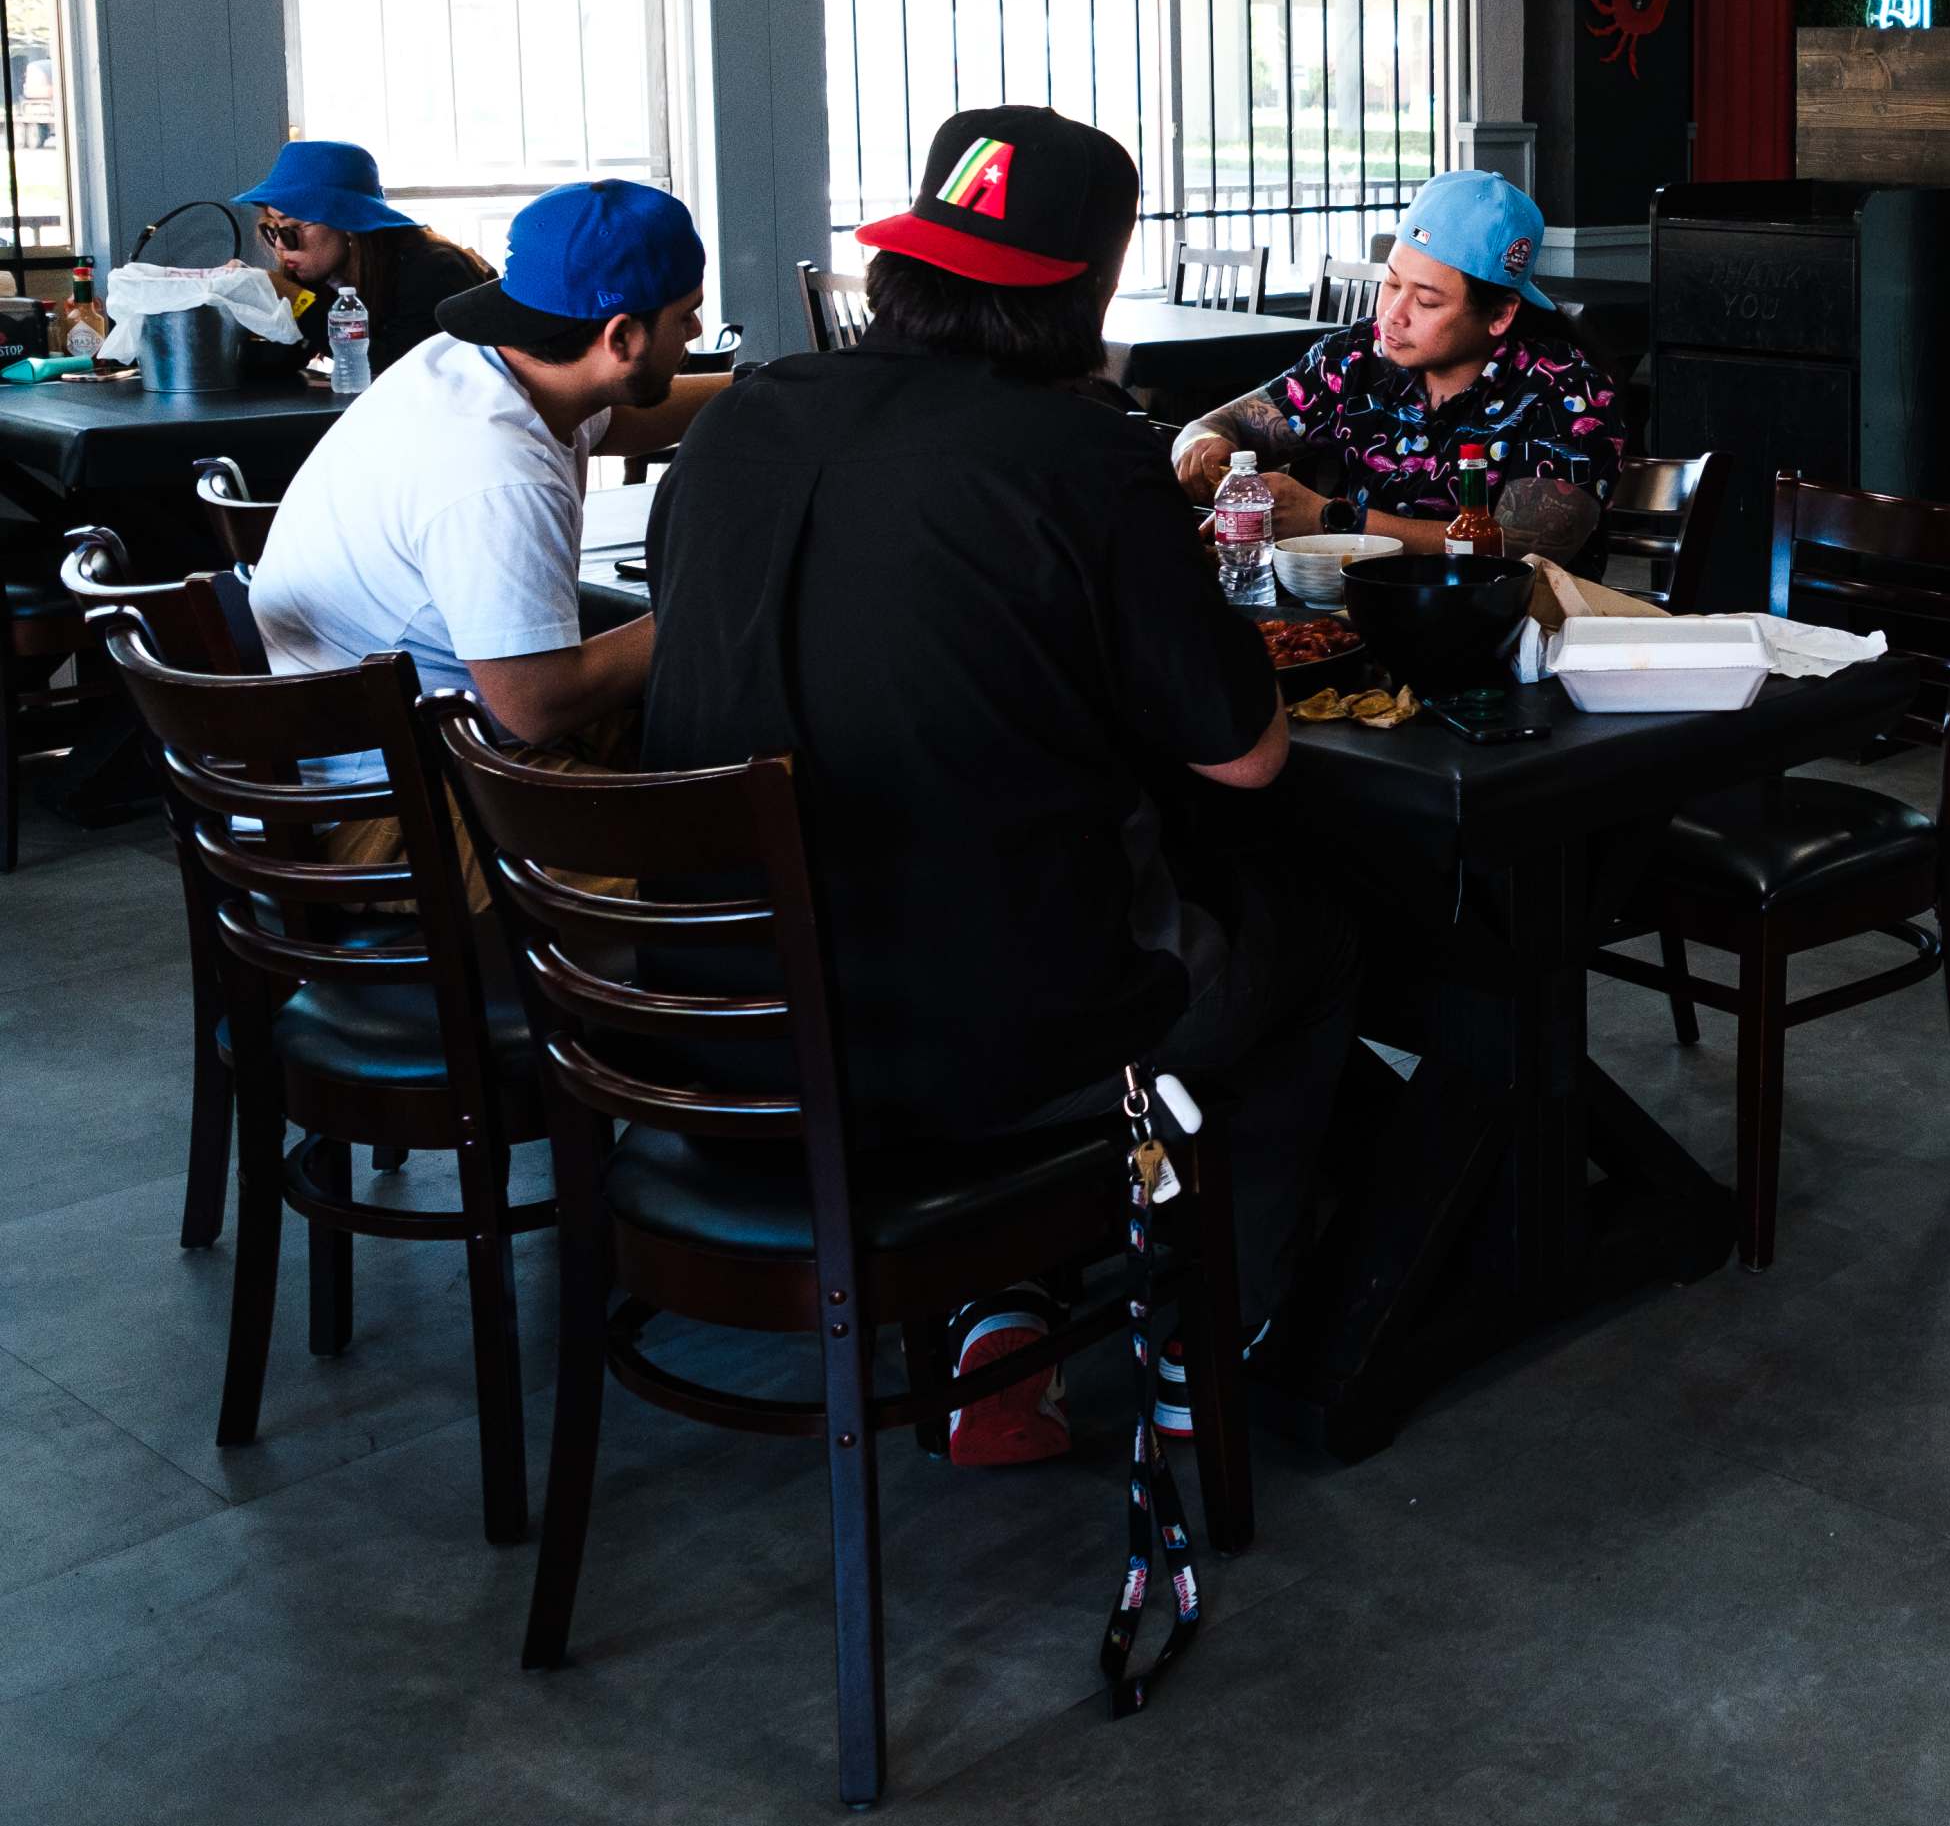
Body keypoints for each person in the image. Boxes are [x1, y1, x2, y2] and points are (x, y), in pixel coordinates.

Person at [641, 107, 1356, 1452]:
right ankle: (1206, 1350)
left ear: (899, 269)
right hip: (962, 1060)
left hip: (705, 1034)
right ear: (1086, 294)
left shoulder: (741, 425)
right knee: (1298, 949)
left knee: (1023, 909)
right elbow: (1244, 752)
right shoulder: (1086, 462)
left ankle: (1003, 1306)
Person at [251, 177, 722, 758]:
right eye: (686, 316)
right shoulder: (497, 472)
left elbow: (619, 422)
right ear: (620, 336)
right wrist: (719, 599)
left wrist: (761, 389)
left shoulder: (472, 362)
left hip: (419, 730)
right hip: (403, 791)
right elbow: (538, 706)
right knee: (747, 814)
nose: (696, 332)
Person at [1171, 169, 1627, 541]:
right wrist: (1200, 445)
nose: (1392, 315)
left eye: (1426, 301)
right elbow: (1218, 423)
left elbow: (1522, 545)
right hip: (1357, 614)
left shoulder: (1566, 391)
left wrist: (1336, 520)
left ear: (1500, 314)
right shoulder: (1354, 359)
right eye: (1390, 283)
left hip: (1510, 633)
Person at [238, 140, 495, 375]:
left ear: (348, 223)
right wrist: (246, 304)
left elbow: (396, 367)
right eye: (272, 230)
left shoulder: (433, 270)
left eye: (292, 229)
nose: (281, 244)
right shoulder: (328, 272)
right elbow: (280, 363)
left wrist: (299, 303)